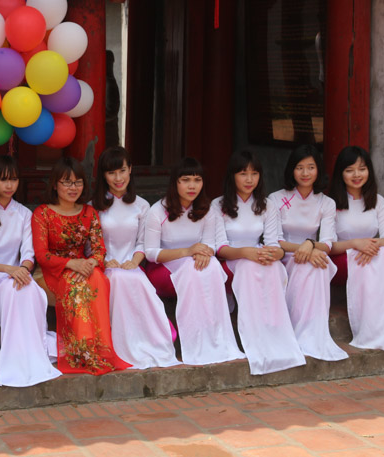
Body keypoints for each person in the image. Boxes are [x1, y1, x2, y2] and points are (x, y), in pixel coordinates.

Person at [32, 156, 130, 375]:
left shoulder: (89, 213)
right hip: (51, 272)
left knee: (98, 278)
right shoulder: (42, 213)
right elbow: (42, 255)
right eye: (67, 182)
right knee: (75, 285)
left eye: (78, 182)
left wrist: (91, 262)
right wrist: (71, 263)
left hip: (83, 267)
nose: (73, 187)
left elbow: (99, 249)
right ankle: (82, 351)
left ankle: (101, 349)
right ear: (55, 184)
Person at [143, 157, 244, 366]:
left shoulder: (208, 210)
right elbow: (151, 252)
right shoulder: (157, 211)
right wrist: (188, 252)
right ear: (175, 182)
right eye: (186, 180)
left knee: (213, 265)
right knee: (192, 267)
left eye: (197, 180)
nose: (192, 186)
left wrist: (202, 252)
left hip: (195, 266)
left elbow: (209, 245)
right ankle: (193, 341)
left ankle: (216, 339)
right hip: (162, 271)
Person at [213, 150, 306, 375]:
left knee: (274, 267)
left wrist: (272, 255)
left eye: (254, 174)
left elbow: (274, 244)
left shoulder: (267, 205)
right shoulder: (218, 205)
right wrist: (246, 252)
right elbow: (219, 248)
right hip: (233, 260)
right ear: (232, 175)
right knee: (247, 266)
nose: (249, 180)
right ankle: (255, 336)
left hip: (258, 256)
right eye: (243, 173)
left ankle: (275, 331)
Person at [0, 155, 61, 387]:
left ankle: (31, 351)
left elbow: (29, 253)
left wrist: (23, 269)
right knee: (13, 292)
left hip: (19, 274)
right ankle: (17, 355)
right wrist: (11, 270)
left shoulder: (24, 214)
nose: (9, 185)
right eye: (3, 180)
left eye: (13, 179)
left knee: (32, 292)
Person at [92, 147, 179, 370]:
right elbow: (90, 245)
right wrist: (103, 260)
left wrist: (134, 261)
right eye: (111, 173)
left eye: (122, 170)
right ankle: (121, 346)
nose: (118, 178)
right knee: (118, 279)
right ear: (103, 175)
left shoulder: (142, 205)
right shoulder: (94, 207)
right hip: (106, 265)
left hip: (132, 264)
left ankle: (148, 341)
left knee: (133, 279)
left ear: (130, 170)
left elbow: (143, 243)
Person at [328, 146, 384, 352]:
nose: (357, 175)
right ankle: (367, 329)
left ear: (369, 171)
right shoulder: (331, 204)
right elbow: (330, 246)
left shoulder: (378, 201)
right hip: (342, 261)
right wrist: (356, 244)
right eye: (350, 170)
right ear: (341, 173)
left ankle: (380, 326)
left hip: (369, 255)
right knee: (377, 258)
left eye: (362, 169)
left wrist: (371, 246)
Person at [269, 144, 348, 361]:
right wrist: (305, 247)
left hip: (313, 253)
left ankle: (312, 334)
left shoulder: (326, 203)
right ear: (291, 170)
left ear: (318, 170)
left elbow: (328, 243)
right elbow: (275, 240)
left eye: (311, 167)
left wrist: (310, 246)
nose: (305, 173)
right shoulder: (276, 199)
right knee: (310, 262)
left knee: (316, 264)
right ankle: (296, 331)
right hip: (284, 256)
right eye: (300, 167)